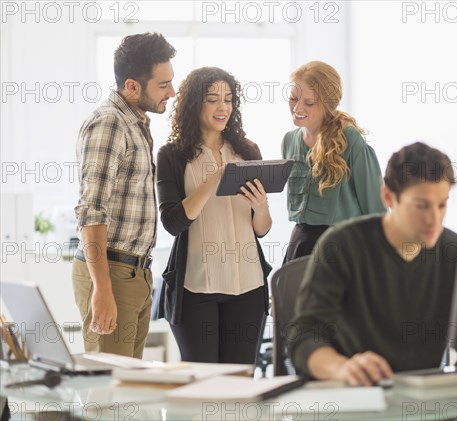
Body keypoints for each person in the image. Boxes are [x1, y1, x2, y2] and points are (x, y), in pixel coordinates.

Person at [288, 142, 457, 386]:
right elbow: (304, 337)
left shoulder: (456, 252)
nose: (434, 219)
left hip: (422, 403)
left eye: (442, 204)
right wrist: (341, 368)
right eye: (421, 205)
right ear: (388, 196)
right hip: (354, 397)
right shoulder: (341, 246)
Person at [156, 67, 273, 363]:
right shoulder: (172, 155)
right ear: (196, 103)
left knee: (238, 385)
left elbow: (261, 229)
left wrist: (261, 206)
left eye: (229, 99)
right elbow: (173, 222)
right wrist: (213, 180)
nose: (223, 107)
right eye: (213, 99)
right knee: (202, 388)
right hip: (196, 289)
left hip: (247, 285)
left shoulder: (248, 151)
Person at [72, 33, 176, 358]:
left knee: (128, 396)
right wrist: (102, 289)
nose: (171, 92)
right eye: (163, 85)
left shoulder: (136, 123)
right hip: (112, 273)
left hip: (136, 273)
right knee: (108, 400)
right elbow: (91, 212)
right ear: (132, 86)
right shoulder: (110, 124)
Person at [282, 61, 386, 263]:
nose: (297, 107)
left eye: (309, 102)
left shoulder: (350, 140)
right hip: (300, 244)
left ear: (329, 104)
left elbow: (376, 210)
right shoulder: (289, 141)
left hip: (343, 247)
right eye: (293, 98)